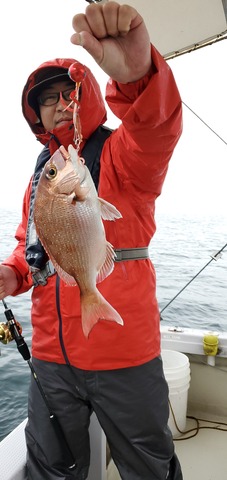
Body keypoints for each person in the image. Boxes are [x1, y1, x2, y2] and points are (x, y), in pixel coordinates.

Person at [0, 2, 183, 479]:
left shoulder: (121, 153)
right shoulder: (44, 176)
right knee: (50, 466)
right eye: (48, 98)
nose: (60, 103)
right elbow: (32, 246)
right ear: (35, 113)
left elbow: (154, 130)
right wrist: (12, 273)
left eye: (70, 93)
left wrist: (140, 77)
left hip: (124, 352)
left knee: (148, 467)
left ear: (87, 98)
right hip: (51, 358)